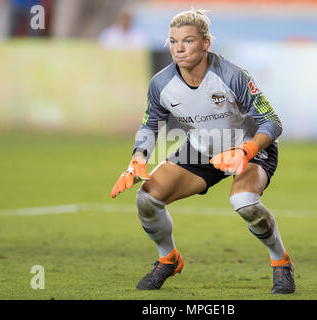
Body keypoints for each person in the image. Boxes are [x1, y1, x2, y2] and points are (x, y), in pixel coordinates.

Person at [110, 8, 295, 294]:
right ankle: (168, 258)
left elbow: (272, 122)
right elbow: (150, 125)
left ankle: (281, 262)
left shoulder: (232, 76)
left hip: (249, 148)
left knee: (244, 201)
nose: (179, 49)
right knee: (147, 199)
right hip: (202, 149)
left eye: (188, 41)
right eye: (173, 41)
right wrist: (137, 159)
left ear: (205, 43)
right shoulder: (161, 83)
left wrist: (245, 151)